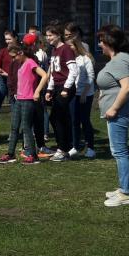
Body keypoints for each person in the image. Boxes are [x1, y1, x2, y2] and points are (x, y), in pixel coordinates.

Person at [96, 24, 129, 207]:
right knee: (118, 151)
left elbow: (127, 88)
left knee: (120, 152)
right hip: (119, 112)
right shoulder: (120, 59)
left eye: (101, 41)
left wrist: (113, 108)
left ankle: (126, 193)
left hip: (120, 113)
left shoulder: (120, 60)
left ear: (110, 41)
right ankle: (123, 188)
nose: (99, 44)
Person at [0, 43, 49, 164]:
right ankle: (10, 154)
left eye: (14, 56)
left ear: (20, 53)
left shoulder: (30, 62)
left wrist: (37, 91)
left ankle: (33, 155)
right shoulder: (20, 64)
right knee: (14, 127)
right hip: (19, 99)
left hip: (28, 100)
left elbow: (44, 75)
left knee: (26, 127)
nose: (13, 59)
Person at [44, 23, 79, 162]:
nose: (48, 38)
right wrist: (49, 89)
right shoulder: (54, 50)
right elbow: (54, 73)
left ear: (58, 35)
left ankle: (63, 149)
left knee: (57, 117)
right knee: (57, 118)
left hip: (66, 87)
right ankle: (65, 146)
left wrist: (66, 88)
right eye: (47, 36)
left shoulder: (66, 49)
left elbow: (73, 71)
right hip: (57, 87)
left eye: (51, 35)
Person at [69, 37, 96, 158]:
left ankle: (90, 147)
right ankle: (75, 146)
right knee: (74, 120)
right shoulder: (71, 60)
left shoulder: (86, 59)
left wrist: (84, 93)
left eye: (71, 46)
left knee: (85, 120)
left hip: (86, 94)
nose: (69, 48)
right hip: (74, 94)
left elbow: (91, 76)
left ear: (76, 46)